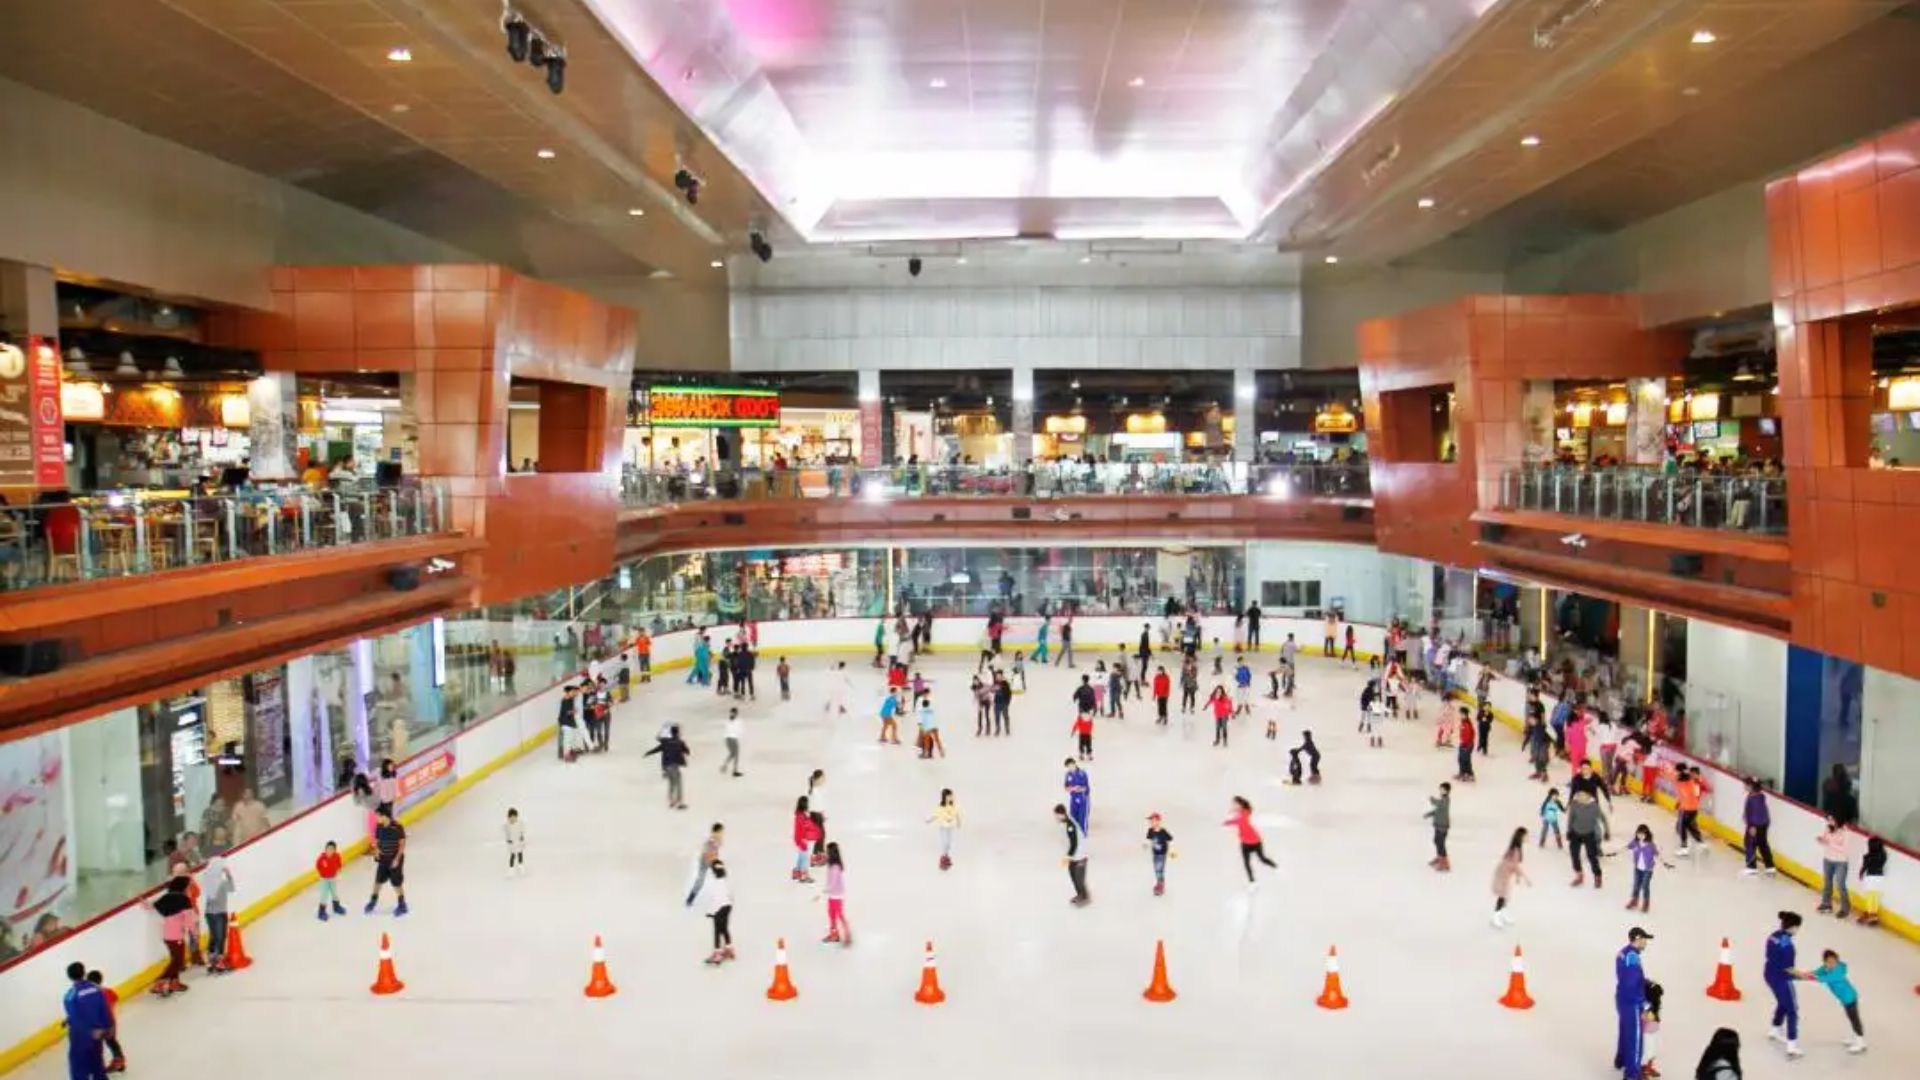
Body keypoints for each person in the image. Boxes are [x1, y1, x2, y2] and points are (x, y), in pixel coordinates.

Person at [1798, 948, 1867, 1054]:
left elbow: (1823, 979)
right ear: (1824, 962)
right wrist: (1803, 974)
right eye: (1829, 962)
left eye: (1834, 961)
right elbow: (1816, 973)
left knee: (1854, 1019)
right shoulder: (1825, 968)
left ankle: (1860, 1042)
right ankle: (1855, 1037)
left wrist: (1807, 977)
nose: (1832, 964)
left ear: (1837, 961)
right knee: (1851, 1018)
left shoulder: (1839, 971)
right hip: (1844, 999)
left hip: (1850, 998)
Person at [1764, 911, 1806, 1058]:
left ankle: (1775, 1028)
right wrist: (1805, 976)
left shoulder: (1773, 936)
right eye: (1798, 927)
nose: (1798, 930)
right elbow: (1789, 969)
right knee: (1792, 1009)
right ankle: (1792, 1044)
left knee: (1783, 1002)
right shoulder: (1788, 946)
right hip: (1782, 979)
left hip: (1769, 974)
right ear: (1793, 927)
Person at [1615, 927, 1654, 1079]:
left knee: (1625, 1030)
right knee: (1635, 1038)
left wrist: (1644, 981)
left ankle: (1622, 1059)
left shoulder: (1624, 952)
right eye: (1644, 939)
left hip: (1622, 998)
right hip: (1632, 1002)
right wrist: (1643, 1003)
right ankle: (1632, 1074)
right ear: (1637, 939)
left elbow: (1627, 978)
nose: (1646, 942)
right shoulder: (1633, 958)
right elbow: (1631, 983)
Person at [64, 961, 113, 1079]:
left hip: (81, 1037)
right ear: (84, 973)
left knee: (79, 1066)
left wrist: (88, 1031)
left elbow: (76, 1018)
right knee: (97, 1062)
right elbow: (105, 1009)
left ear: (69, 977)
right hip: (98, 1033)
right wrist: (107, 1027)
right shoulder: (97, 989)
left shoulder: (70, 995)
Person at [146, 877, 195, 996]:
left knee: (175, 959)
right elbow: (189, 920)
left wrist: (143, 901)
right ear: (183, 886)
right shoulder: (184, 899)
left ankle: (174, 982)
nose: (189, 888)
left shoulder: (167, 897)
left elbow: (151, 906)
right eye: (188, 886)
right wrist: (194, 933)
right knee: (179, 961)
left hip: (167, 935)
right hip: (176, 935)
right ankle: (160, 981)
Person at [364, 807, 409, 916]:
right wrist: (377, 851)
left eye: (378, 816)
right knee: (378, 881)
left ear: (385, 816)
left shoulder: (397, 827)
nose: (377, 818)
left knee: (396, 883)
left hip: (394, 859)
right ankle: (373, 900)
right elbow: (378, 841)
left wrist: (397, 859)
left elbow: (402, 845)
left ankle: (402, 903)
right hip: (383, 859)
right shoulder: (379, 827)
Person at [1224, 796, 1277, 885]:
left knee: (1262, 859)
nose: (1233, 805)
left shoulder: (1245, 812)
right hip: (1245, 843)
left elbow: (1239, 821)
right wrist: (1231, 816)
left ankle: (1276, 867)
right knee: (1246, 863)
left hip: (1255, 841)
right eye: (1233, 804)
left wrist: (1229, 819)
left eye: (1235, 803)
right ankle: (1252, 881)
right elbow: (1234, 820)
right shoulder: (1238, 813)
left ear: (1240, 804)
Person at [199, 855, 235, 972]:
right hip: (220, 913)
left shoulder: (207, 881)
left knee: (214, 936)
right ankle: (219, 961)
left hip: (209, 913)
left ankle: (211, 960)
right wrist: (228, 874)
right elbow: (232, 888)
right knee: (221, 937)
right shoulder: (222, 883)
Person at [642, 725, 691, 809]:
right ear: (678, 733)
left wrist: (647, 753)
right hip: (675, 766)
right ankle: (679, 802)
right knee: (678, 784)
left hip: (666, 766)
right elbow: (687, 752)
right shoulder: (680, 742)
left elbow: (656, 749)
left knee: (671, 783)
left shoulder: (666, 742)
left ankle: (672, 801)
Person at [1490, 826, 1530, 929]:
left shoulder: (1515, 847)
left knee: (1506, 895)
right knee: (1502, 896)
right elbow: (1515, 866)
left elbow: (1513, 864)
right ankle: (1496, 916)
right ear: (1521, 837)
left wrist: (1517, 877)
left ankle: (1503, 913)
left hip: (1505, 873)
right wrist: (1525, 878)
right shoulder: (1516, 849)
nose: (1527, 838)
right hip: (1503, 874)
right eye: (1526, 836)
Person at [1568, 789, 1607, 888]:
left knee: (1592, 857)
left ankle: (1597, 876)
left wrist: (1606, 831)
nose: (1579, 797)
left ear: (1588, 796)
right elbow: (1571, 818)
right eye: (1578, 795)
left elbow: (1603, 818)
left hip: (1589, 834)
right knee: (1574, 855)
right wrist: (1569, 830)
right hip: (1575, 833)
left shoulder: (1594, 806)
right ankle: (1579, 875)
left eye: (1582, 795)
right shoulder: (1574, 804)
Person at [1815, 815, 1852, 917]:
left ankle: (1845, 908)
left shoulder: (1846, 832)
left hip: (1841, 862)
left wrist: (1829, 843)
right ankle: (1826, 904)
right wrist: (1821, 840)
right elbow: (1825, 840)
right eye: (1828, 819)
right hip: (1827, 859)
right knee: (1827, 882)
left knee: (1840, 885)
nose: (1829, 821)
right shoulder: (1827, 828)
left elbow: (1845, 850)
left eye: (1831, 819)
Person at [699, 861, 734, 966]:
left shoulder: (714, 884)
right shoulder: (725, 880)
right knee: (724, 928)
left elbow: (715, 900)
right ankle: (729, 949)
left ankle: (717, 954)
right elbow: (730, 895)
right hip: (728, 906)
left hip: (719, 908)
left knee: (717, 931)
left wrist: (710, 913)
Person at [1056, 803, 1089, 906]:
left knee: (1079, 878)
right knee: (1073, 875)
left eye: (1057, 815)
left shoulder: (1070, 825)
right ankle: (1080, 894)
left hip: (1080, 856)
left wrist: (1067, 857)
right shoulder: (1066, 823)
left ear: (1061, 814)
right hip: (1074, 856)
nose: (1056, 818)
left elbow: (1074, 843)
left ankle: (1084, 896)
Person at [1626, 823, 1664, 913]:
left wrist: (1664, 862)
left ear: (1646, 834)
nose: (1640, 836)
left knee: (1645, 886)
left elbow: (1657, 855)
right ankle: (1634, 900)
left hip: (1647, 870)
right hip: (1637, 869)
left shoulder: (1651, 845)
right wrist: (1615, 852)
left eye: (1642, 834)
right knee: (1636, 885)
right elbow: (1626, 847)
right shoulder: (1635, 843)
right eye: (1639, 834)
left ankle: (1646, 903)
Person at [685, 823, 725, 907]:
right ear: (715, 831)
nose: (721, 833)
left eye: (722, 832)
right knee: (700, 881)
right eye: (720, 831)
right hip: (704, 861)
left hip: (712, 861)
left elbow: (716, 851)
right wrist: (711, 860)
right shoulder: (710, 840)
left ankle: (722, 898)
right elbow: (705, 852)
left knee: (721, 877)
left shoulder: (719, 840)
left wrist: (716, 860)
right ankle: (690, 898)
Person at [1742, 776, 1776, 875]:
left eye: (1746, 785)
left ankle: (1751, 867)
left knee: (1750, 843)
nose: (1744, 786)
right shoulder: (1758, 796)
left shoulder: (1755, 798)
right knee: (1762, 844)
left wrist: (1752, 826)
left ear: (1751, 786)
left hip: (1755, 825)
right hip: (1762, 824)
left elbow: (1756, 813)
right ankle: (1770, 866)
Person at [821, 842, 852, 946]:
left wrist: (824, 890)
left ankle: (847, 935)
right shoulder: (832, 865)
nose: (826, 853)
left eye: (827, 851)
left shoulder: (835, 867)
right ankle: (834, 935)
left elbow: (832, 884)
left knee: (839, 915)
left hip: (836, 896)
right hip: (832, 895)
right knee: (831, 915)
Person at [1673, 764, 1708, 856]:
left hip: (1688, 808)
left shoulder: (1684, 779)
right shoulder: (1685, 779)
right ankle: (1700, 843)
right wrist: (1678, 803)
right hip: (1691, 808)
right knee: (1688, 826)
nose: (1675, 773)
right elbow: (1682, 793)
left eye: (1676, 771)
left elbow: (1686, 778)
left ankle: (1684, 848)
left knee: (1683, 827)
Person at [1856, 836, 1887, 926]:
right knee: (1875, 896)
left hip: (1870, 878)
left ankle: (1869, 914)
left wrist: (1860, 873)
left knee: (1870, 896)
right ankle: (1873, 915)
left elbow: (1864, 867)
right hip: (1880, 878)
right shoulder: (1883, 855)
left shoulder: (1867, 856)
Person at [929, 789, 961, 871]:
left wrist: (958, 822)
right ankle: (943, 858)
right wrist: (929, 820)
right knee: (945, 842)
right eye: (949, 796)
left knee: (949, 843)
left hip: (950, 827)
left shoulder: (953, 806)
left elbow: (957, 814)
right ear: (945, 797)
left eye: (951, 796)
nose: (950, 797)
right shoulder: (941, 807)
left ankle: (946, 856)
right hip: (943, 827)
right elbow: (935, 815)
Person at [314, 840, 346, 921]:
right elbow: (318, 866)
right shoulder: (321, 859)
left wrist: (338, 870)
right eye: (328, 849)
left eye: (332, 849)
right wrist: (322, 875)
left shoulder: (337, 856)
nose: (330, 851)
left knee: (335, 893)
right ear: (325, 849)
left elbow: (339, 864)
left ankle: (336, 907)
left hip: (333, 878)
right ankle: (321, 912)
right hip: (324, 879)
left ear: (335, 850)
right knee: (324, 895)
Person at [1144, 812, 1175, 896]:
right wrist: (1145, 845)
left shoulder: (1163, 831)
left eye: (1153, 821)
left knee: (1159, 869)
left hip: (1162, 854)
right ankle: (1160, 883)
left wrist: (1172, 851)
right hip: (1155, 854)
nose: (1151, 823)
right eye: (1150, 821)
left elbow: (1170, 840)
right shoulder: (1150, 830)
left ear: (1158, 821)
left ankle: (1160, 885)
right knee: (1156, 869)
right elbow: (1149, 840)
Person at [790, 797, 818, 884]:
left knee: (801, 856)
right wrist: (804, 839)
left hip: (798, 839)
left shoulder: (799, 814)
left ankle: (797, 873)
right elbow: (802, 829)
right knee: (805, 858)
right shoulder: (802, 816)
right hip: (802, 839)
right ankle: (804, 876)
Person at [1424, 782, 1452, 872]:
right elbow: (1437, 810)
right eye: (1440, 789)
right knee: (1437, 841)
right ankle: (1439, 858)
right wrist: (1429, 814)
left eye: (1443, 789)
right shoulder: (1442, 800)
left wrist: (1432, 800)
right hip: (1438, 825)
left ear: (1447, 791)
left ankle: (1445, 863)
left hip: (1442, 826)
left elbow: (1439, 804)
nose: (1441, 791)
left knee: (1440, 843)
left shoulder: (1446, 800)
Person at [1063, 758, 1091, 837]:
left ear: (1075, 764)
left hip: (1083, 798)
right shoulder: (1068, 774)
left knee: (1082, 817)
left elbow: (1086, 788)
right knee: (1073, 817)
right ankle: (1076, 834)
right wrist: (1073, 789)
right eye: (1068, 766)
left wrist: (1079, 789)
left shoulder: (1082, 773)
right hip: (1073, 798)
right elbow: (1066, 787)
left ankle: (1083, 834)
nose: (1070, 768)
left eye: (1071, 765)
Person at [721, 708, 743, 777]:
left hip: (727, 739)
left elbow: (726, 729)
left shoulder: (727, 721)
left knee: (732, 754)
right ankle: (734, 771)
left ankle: (725, 765)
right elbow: (739, 730)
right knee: (735, 755)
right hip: (733, 739)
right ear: (736, 713)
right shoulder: (737, 721)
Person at [504, 808, 526, 878]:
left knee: (520, 854)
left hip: (518, 842)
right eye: (511, 817)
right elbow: (506, 833)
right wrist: (508, 839)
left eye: (514, 817)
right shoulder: (507, 825)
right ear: (508, 817)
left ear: (516, 817)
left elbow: (522, 830)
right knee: (512, 856)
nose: (513, 819)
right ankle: (511, 869)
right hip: (512, 843)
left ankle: (521, 867)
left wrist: (522, 836)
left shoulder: (520, 823)